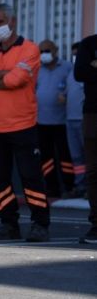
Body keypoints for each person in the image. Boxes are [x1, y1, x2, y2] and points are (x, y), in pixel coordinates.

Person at [0, 3, 49, 242]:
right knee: (0, 179)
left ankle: (40, 224)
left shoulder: (30, 49)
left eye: (0, 22)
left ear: (12, 22)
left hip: (23, 125)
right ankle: (8, 223)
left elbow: (17, 80)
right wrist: (5, 74)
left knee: (31, 177)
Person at [36, 39, 76, 198]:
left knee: (65, 155)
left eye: (47, 51)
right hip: (41, 122)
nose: (44, 54)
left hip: (62, 121)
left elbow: (73, 87)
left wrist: (66, 96)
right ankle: (51, 187)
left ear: (55, 50)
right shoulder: (37, 69)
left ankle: (70, 186)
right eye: (41, 51)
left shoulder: (67, 67)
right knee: (46, 157)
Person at [74, 34, 97, 244]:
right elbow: (80, 72)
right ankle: (96, 224)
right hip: (93, 115)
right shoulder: (89, 44)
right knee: (93, 171)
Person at [66, 42, 86, 195]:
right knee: (76, 156)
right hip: (70, 120)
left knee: (89, 155)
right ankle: (80, 185)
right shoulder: (71, 73)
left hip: (84, 119)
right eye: (73, 54)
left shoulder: (88, 72)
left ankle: (90, 187)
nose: (75, 57)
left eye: (77, 54)